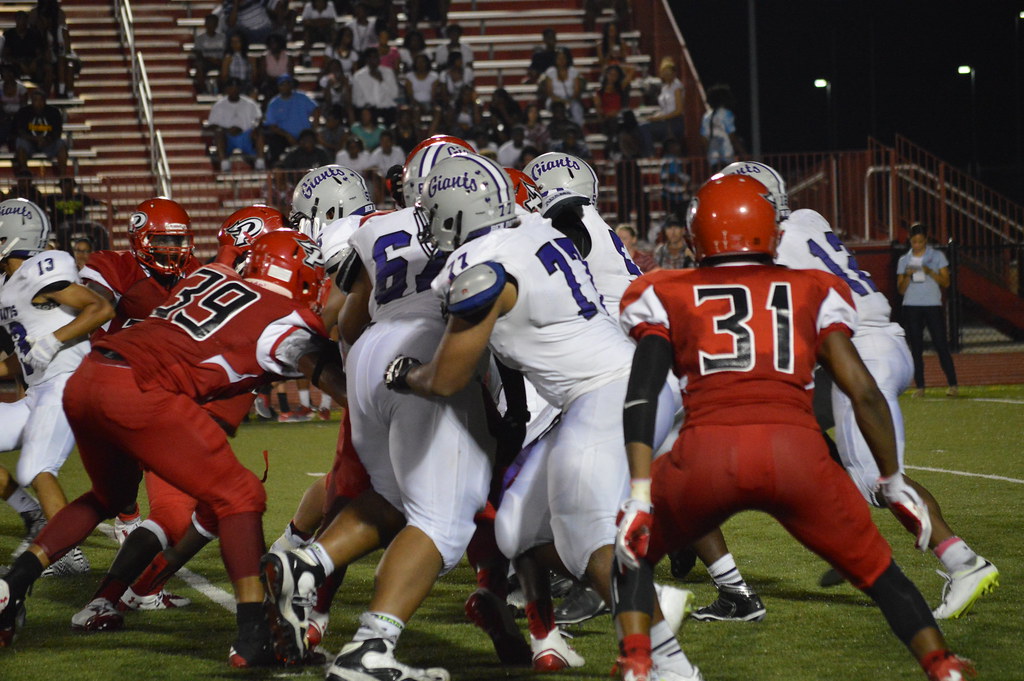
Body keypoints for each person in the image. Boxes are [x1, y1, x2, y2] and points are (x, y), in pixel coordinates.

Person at [611, 173, 975, 681]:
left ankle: (637, 660)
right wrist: (891, 478)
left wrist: (640, 490)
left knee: (629, 554)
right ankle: (942, 664)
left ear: (696, 236)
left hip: (708, 455)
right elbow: (863, 392)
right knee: (881, 575)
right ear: (773, 230)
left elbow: (643, 394)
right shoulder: (811, 288)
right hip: (798, 456)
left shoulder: (666, 290)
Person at [385, 152, 682, 673]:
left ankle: (667, 659)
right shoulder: (530, 230)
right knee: (515, 530)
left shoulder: (483, 267)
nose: (428, 224)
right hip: (608, 388)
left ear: (456, 214)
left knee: (587, 536)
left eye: (433, 213)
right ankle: (553, 638)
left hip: (608, 390)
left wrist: (406, 373)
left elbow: (446, 378)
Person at [0, 231, 348, 666]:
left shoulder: (211, 275)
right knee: (241, 495)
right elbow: (324, 373)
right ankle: (254, 635)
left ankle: (14, 582)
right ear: (300, 274)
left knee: (109, 496)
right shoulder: (283, 319)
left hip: (89, 375)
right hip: (140, 389)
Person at [261, 141, 494, 681]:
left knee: (388, 496)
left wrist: (356, 371)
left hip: (368, 357)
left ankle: (306, 563)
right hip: (428, 354)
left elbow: (341, 319)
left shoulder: (377, 228)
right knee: (444, 520)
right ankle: (371, 646)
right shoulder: (479, 225)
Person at [764, 186, 999, 620]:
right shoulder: (809, 218)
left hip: (860, 354)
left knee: (881, 479)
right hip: (882, 342)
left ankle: (963, 562)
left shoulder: (773, 248)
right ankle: (851, 536)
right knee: (790, 419)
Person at [0, 198, 114, 577]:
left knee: (37, 466)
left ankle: (67, 554)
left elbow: (100, 308)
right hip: (37, 392)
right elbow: (24, 354)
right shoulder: (7, 283)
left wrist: (52, 342)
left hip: (67, 383)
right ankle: (32, 514)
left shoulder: (40, 271)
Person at [897, 223, 958, 397]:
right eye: (914, 242)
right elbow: (900, 290)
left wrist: (929, 271)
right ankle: (920, 387)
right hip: (911, 307)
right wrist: (907, 275)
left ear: (926, 240)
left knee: (941, 345)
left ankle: (953, 384)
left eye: (921, 242)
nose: (917, 245)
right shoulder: (904, 260)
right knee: (916, 348)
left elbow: (946, 282)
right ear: (910, 240)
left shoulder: (937, 256)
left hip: (932, 305)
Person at [206, 77, 266, 172]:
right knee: (218, 133)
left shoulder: (250, 103)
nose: (234, 90)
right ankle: (224, 165)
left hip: (246, 136)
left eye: (236, 88)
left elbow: (259, 118)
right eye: (231, 88)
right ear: (226, 89)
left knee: (259, 132)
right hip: (228, 138)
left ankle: (260, 164)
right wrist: (227, 130)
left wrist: (255, 126)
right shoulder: (219, 105)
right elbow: (211, 125)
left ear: (240, 89)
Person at [263, 73, 319, 167]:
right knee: (274, 141)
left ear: (292, 85)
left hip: (304, 135)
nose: (285, 87)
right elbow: (272, 126)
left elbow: (316, 110)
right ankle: (278, 168)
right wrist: (287, 135)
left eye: (288, 83)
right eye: (282, 84)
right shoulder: (274, 103)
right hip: (284, 137)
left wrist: (314, 128)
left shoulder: (301, 97)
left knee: (312, 141)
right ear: (278, 87)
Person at [13, 89, 67, 177]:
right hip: (30, 142)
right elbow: (20, 131)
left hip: (48, 142)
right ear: (32, 101)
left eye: (41, 100)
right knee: (20, 142)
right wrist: (35, 139)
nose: (38, 103)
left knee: (61, 143)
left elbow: (58, 131)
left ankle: (63, 176)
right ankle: (24, 172)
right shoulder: (23, 112)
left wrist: (47, 140)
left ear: (45, 101)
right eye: (36, 100)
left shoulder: (54, 112)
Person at [639, 57, 684, 157]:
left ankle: (650, 155)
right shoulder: (664, 88)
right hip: (665, 120)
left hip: (674, 121)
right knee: (641, 125)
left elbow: (678, 110)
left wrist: (660, 118)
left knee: (644, 128)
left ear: (674, 73)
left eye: (669, 72)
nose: (667, 75)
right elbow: (664, 108)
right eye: (664, 72)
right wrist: (655, 116)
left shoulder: (677, 86)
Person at [2, 12, 51, 97]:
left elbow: (40, 53)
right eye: (19, 19)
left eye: (24, 19)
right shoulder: (9, 34)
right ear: (16, 21)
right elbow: (6, 55)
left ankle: (45, 95)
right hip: (15, 63)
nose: (22, 22)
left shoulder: (34, 34)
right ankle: (11, 95)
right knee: (6, 72)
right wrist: (19, 63)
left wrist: (34, 62)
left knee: (47, 69)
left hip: (32, 61)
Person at [699, 83, 743, 172]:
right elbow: (731, 135)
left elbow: (703, 138)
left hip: (713, 157)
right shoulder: (726, 114)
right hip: (726, 154)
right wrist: (742, 152)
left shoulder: (707, 116)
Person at [350, 47, 400, 125]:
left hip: (387, 109)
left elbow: (395, 94)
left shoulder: (388, 72)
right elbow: (356, 100)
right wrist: (366, 105)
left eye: (377, 57)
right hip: (369, 110)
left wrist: (382, 81)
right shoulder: (358, 76)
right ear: (367, 60)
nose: (376, 60)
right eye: (373, 57)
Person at [543, 48, 584, 127]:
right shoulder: (550, 72)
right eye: (559, 58)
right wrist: (561, 101)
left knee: (576, 109)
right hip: (554, 100)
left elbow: (576, 91)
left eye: (563, 58)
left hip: (570, 99)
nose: (561, 60)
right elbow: (549, 92)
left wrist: (569, 101)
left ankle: (578, 128)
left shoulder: (573, 71)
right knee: (558, 108)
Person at [190, 13, 226, 94]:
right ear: (205, 24)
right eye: (209, 23)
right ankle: (204, 91)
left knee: (227, 65)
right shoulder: (200, 39)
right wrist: (210, 59)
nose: (211, 25)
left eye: (213, 23)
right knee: (199, 66)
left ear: (216, 25)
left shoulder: (223, 38)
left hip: (221, 62)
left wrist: (220, 61)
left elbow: (226, 52)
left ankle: (223, 91)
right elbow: (198, 54)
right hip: (206, 62)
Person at [255, 33, 294, 101]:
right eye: (271, 43)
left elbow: (291, 73)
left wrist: (282, 81)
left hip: (285, 81)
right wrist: (275, 80)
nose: (273, 45)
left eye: (275, 43)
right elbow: (263, 74)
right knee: (268, 89)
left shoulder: (288, 56)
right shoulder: (264, 57)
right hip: (270, 82)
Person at [659, 138, 691, 219]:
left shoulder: (680, 160)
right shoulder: (668, 159)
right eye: (675, 145)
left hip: (680, 195)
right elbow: (667, 176)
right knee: (672, 218)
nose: (678, 147)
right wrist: (679, 180)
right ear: (669, 148)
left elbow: (685, 177)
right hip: (670, 195)